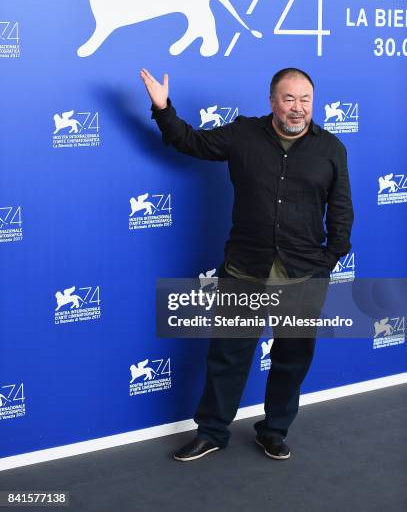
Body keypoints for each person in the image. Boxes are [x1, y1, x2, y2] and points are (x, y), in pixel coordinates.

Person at [140, 66, 354, 461]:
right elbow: (189, 141)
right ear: (272, 101)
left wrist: (328, 259)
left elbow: (341, 211)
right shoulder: (243, 134)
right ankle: (212, 431)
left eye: (305, 99)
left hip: (303, 274)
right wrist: (162, 107)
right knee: (228, 356)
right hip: (244, 269)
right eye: (288, 99)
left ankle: (273, 431)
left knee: (291, 360)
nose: (297, 108)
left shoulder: (331, 149)